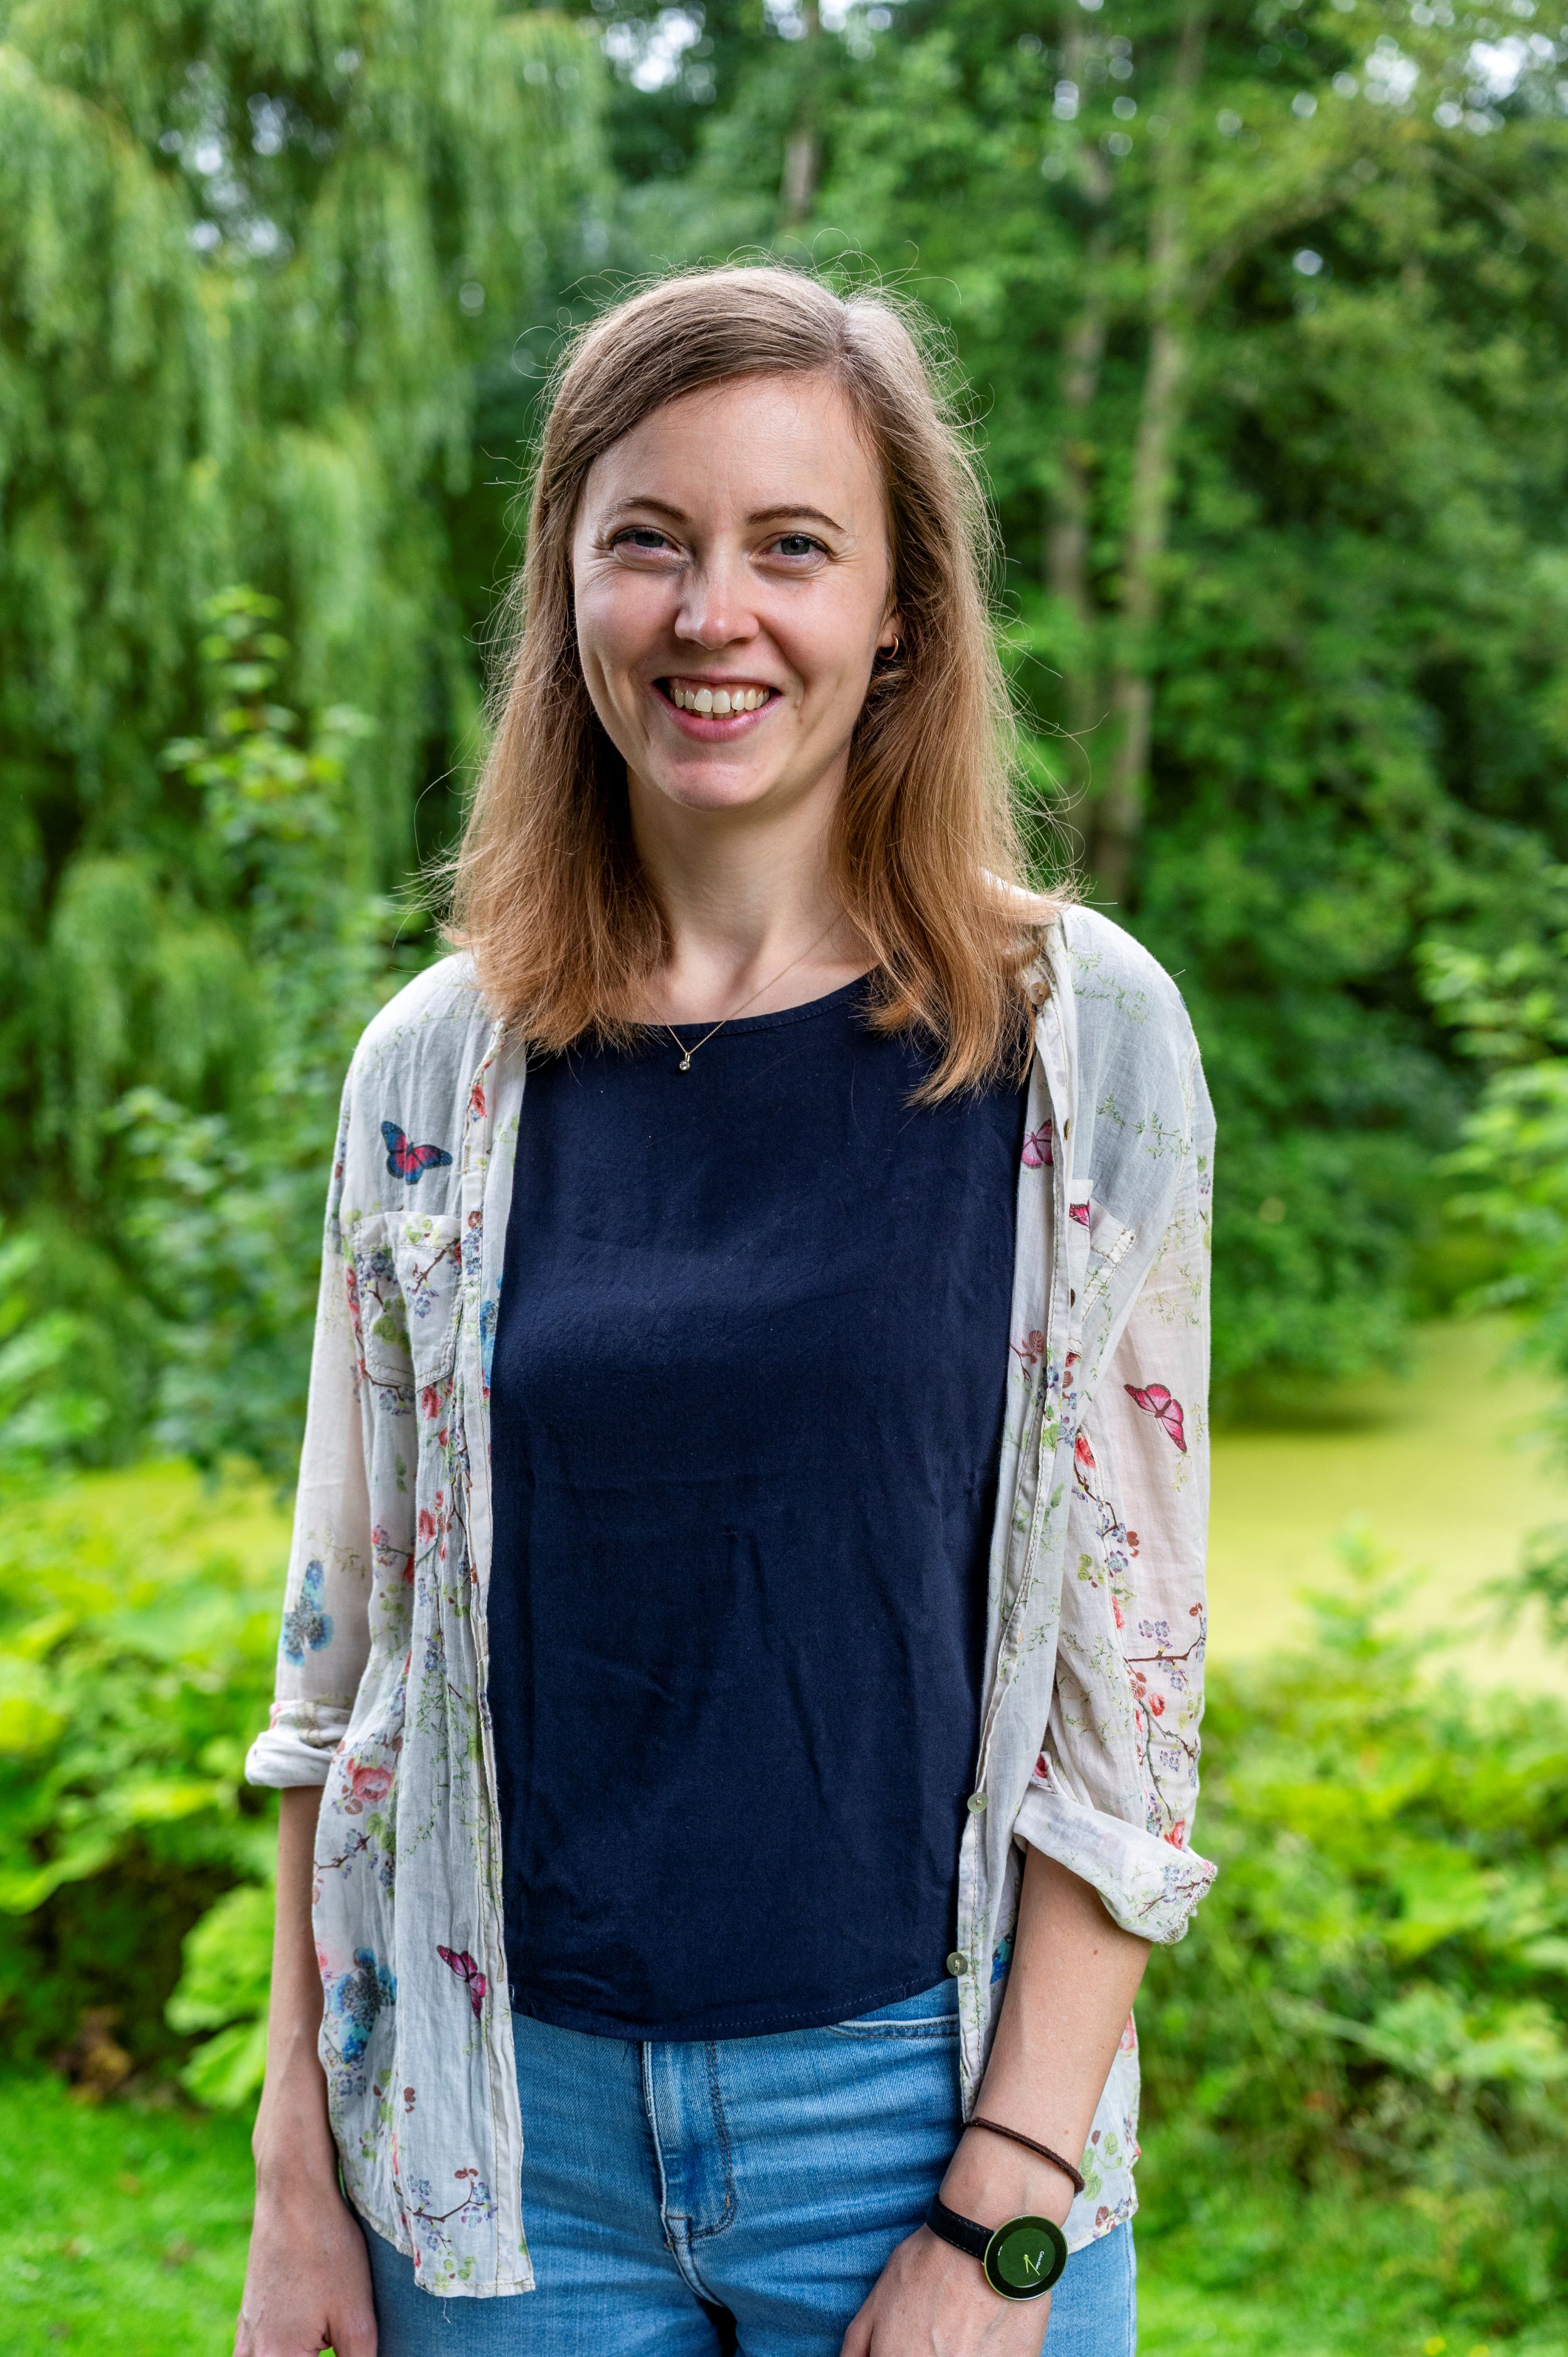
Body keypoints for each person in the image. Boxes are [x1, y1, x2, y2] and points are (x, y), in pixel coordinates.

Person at [236, 265, 1215, 2357]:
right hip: (500, 2155)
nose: (713, 615)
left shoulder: (1077, 1041)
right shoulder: (435, 1072)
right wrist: (294, 2186)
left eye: (791, 546)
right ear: (568, 597)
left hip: (922, 2122)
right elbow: (343, 1675)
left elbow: (1130, 1691)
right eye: (647, 545)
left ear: (900, 614)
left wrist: (1004, 2214)